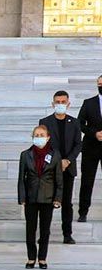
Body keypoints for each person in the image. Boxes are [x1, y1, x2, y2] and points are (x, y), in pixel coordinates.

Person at [18, 126, 64, 270]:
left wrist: (58, 198)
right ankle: (31, 257)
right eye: (36, 135)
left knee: (45, 230)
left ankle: (42, 258)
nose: (39, 137)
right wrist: (22, 197)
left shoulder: (55, 154)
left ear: (48, 137)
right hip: (31, 197)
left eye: (42, 135)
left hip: (47, 197)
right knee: (30, 229)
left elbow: (59, 179)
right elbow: (21, 178)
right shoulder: (26, 155)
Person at [41, 91, 83, 243]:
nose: (60, 104)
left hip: (68, 168)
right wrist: (57, 161)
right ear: (53, 104)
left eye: (63, 101)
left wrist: (68, 160)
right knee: (47, 203)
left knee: (67, 203)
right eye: (57, 102)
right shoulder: (45, 122)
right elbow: (44, 145)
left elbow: (78, 144)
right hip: (51, 169)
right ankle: (44, 234)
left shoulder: (75, 122)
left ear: (68, 103)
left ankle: (67, 234)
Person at [76, 74, 102, 223]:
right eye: (99, 84)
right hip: (91, 147)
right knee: (87, 181)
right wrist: (94, 133)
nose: (100, 86)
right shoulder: (89, 103)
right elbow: (79, 123)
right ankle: (83, 211)